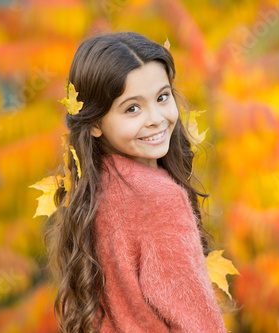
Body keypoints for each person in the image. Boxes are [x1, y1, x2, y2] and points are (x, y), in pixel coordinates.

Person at [45, 31, 227, 333]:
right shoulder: (159, 198)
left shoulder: (94, 187)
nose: (155, 118)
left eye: (162, 97)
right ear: (94, 124)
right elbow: (198, 324)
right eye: (132, 108)